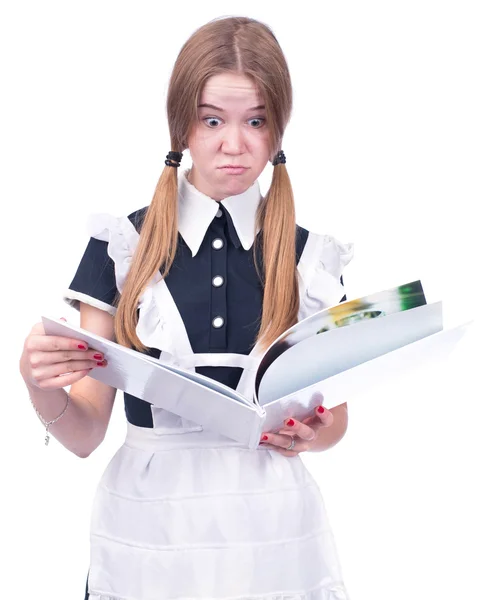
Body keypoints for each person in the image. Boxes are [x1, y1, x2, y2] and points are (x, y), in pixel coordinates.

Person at [19, 16, 354, 600]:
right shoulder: (121, 248)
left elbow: (336, 421)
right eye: (212, 119)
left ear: (279, 128)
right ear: (181, 125)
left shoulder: (312, 261)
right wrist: (37, 383)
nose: (234, 143)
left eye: (256, 120)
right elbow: (84, 434)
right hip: (150, 527)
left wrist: (315, 433)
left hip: (272, 528)